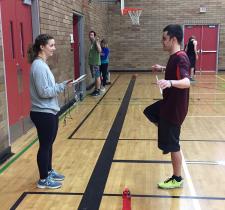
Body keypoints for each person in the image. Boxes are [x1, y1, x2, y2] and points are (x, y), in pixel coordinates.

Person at [144, 24, 190, 189]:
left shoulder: (181, 57)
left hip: (174, 109)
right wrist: (162, 68)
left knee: (173, 145)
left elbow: (186, 82)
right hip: (168, 104)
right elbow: (175, 72)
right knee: (150, 112)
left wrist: (169, 82)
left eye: (164, 38)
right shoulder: (174, 57)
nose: (162, 42)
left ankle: (176, 179)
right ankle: (165, 131)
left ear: (173, 39)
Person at [28, 34, 72, 189]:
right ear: (42, 47)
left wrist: (61, 84)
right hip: (42, 113)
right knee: (45, 146)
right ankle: (43, 179)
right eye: (51, 45)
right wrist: (61, 87)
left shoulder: (42, 64)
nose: (54, 48)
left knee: (49, 144)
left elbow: (47, 89)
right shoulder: (38, 66)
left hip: (49, 111)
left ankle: (48, 170)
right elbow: (43, 92)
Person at [88, 31, 102, 96]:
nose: (90, 36)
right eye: (90, 35)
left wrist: (97, 42)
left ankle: (98, 90)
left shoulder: (96, 42)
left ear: (94, 36)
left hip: (95, 63)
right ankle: (95, 89)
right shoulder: (91, 43)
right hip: (92, 63)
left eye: (92, 35)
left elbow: (100, 50)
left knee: (97, 76)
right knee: (95, 77)